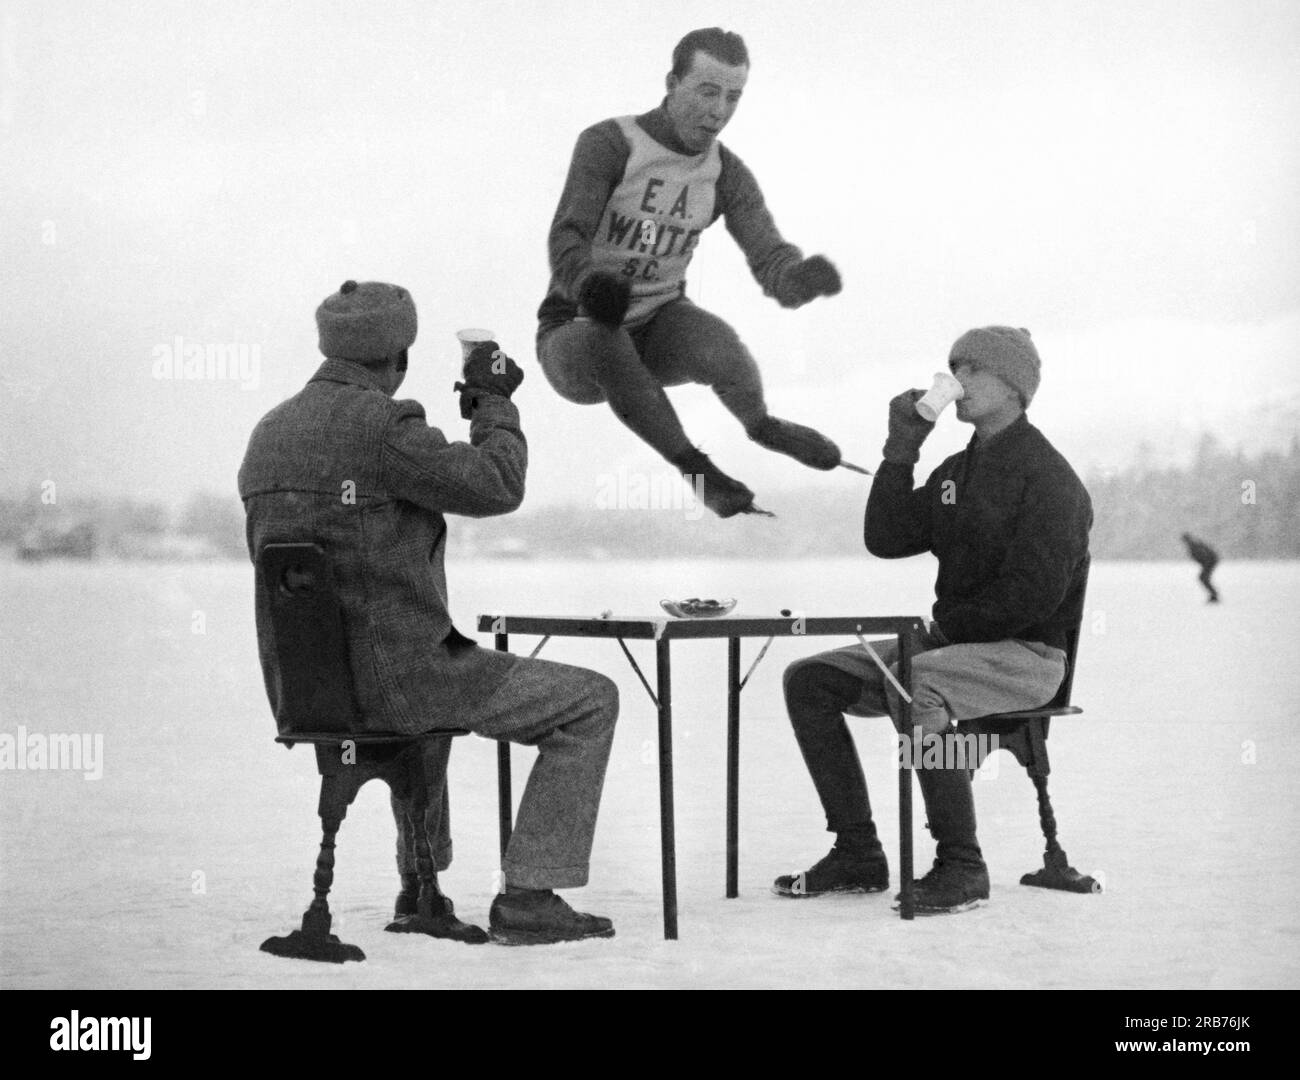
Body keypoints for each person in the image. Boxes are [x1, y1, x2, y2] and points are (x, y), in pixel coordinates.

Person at [238, 280, 620, 945]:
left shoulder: (266, 434)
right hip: (402, 677)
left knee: (429, 685)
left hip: (309, 689)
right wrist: (493, 400)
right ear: (399, 357)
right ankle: (530, 893)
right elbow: (498, 484)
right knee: (588, 702)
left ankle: (421, 882)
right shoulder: (385, 428)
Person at [773, 327, 1092, 914]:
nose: (957, 380)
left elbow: (1033, 597)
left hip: (1027, 656)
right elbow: (887, 537)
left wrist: (935, 640)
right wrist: (901, 450)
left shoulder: (1049, 479)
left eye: (973, 370)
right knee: (809, 680)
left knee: (918, 682)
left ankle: (962, 865)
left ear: (1014, 385)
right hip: (950, 646)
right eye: (954, 367)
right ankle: (857, 851)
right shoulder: (955, 472)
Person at [536, 27, 846, 519]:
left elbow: (770, 259)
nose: (718, 111)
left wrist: (800, 279)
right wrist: (591, 286)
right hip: (575, 333)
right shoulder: (610, 143)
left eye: (733, 96)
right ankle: (701, 473)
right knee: (605, 340)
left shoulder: (727, 173)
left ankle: (763, 426)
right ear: (672, 83)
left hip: (657, 323)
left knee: (721, 345)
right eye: (706, 91)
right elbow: (567, 236)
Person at [1181, 532, 1221, 602]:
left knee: (1203, 578)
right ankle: (1213, 595)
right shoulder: (1194, 545)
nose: (1185, 542)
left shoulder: (1194, 546)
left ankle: (1214, 595)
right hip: (1209, 562)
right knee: (1203, 578)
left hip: (1210, 562)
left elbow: (1205, 555)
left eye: (1185, 540)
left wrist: (1206, 564)